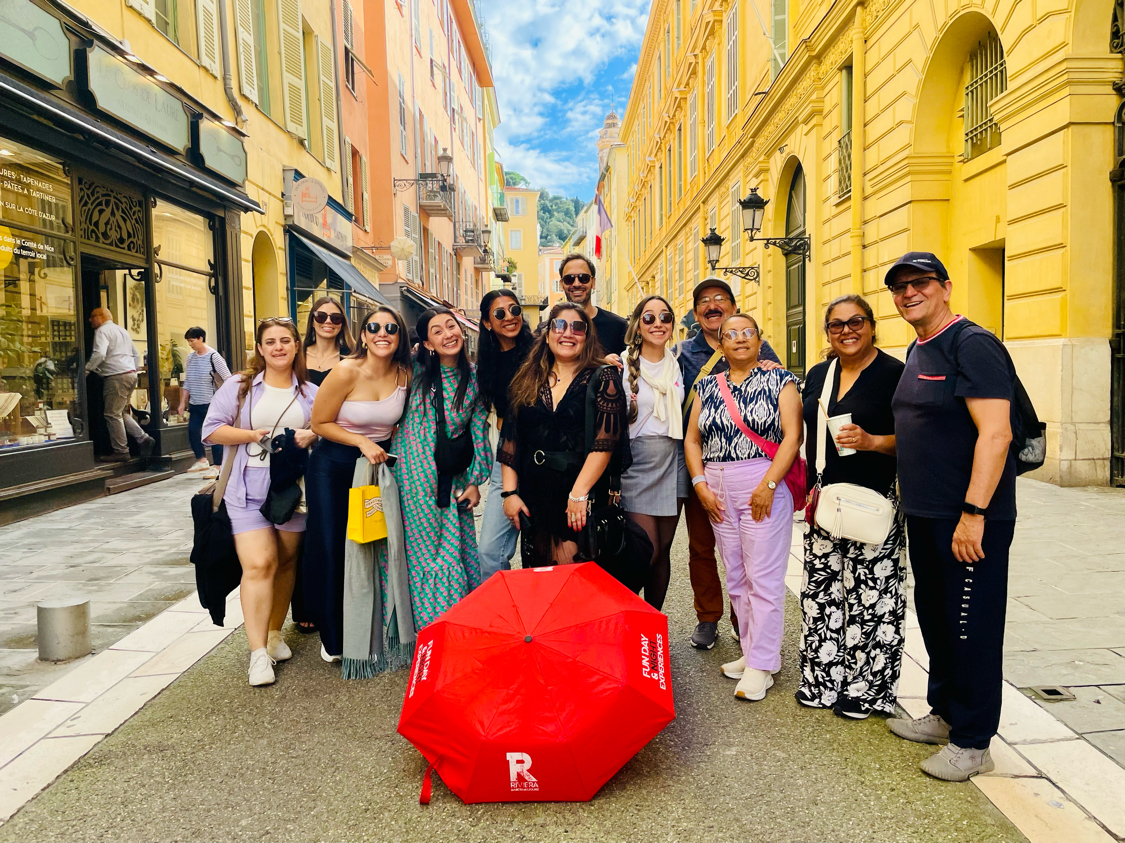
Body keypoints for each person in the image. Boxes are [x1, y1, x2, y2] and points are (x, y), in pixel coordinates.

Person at [884, 252, 1016, 782]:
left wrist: (974, 513)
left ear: (945, 287)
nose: (909, 293)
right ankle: (943, 714)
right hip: (926, 513)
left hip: (969, 517)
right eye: (899, 287)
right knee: (938, 618)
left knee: (971, 625)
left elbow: (997, 434)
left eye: (920, 282)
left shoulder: (972, 343)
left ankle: (974, 741)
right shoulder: (919, 347)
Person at [797, 295, 906, 719]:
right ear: (827, 332)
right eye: (837, 325)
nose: (847, 331)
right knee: (820, 593)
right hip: (826, 500)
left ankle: (868, 690)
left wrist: (872, 441)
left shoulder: (895, 374)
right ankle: (822, 680)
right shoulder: (819, 374)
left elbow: (915, 439)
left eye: (856, 322)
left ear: (872, 326)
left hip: (873, 499)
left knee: (872, 597)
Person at [684, 314, 801, 702]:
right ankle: (754, 653)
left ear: (759, 340)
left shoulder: (781, 381)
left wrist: (769, 484)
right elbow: (692, 440)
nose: (740, 338)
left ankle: (762, 666)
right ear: (720, 345)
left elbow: (792, 437)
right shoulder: (707, 386)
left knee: (763, 576)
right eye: (730, 334)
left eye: (747, 332)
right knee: (736, 573)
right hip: (717, 485)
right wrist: (700, 484)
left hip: (761, 480)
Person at [202, 317, 318, 687]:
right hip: (245, 486)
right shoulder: (239, 386)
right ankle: (257, 655)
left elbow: (327, 429)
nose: (278, 347)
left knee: (285, 562)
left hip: (291, 488)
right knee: (259, 563)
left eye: (285, 340)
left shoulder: (311, 392)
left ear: (297, 346)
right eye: (270, 341)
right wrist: (252, 434)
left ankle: (273, 635)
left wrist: (311, 435)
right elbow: (211, 430)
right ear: (260, 348)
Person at [676, 279, 781, 650]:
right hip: (700, 464)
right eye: (704, 300)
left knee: (749, 553)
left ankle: (745, 621)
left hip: (751, 468)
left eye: (720, 298)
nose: (712, 305)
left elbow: (779, 401)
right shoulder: (682, 353)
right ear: (696, 313)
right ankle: (708, 617)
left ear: (734, 307)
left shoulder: (759, 347)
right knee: (702, 546)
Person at [305, 306, 411, 661]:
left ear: (399, 337)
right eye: (374, 327)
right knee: (333, 547)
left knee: (370, 547)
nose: (383, 334)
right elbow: (319, 423)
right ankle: (333, 639)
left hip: (376, 470)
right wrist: (361, 441)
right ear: (363, 335)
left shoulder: (405, 374)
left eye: (391, 328)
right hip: (333, 467)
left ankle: (371, 629)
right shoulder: (346, 371)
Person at [500, 302, 627, 568]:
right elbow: (511, 438)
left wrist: (578, 494)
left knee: (573, 577)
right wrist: (509, 493)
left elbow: (605, 443)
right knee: (539, 576)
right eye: (559, 325)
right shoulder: (527, 378)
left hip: (578, 490)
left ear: (587, 337)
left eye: (577, 327)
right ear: (547, 335)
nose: (567, 333)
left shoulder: (604, 378)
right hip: (535, 491)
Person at [394, 307, 491, 629]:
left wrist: (475, 481)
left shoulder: (474, 378)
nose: (448, 334)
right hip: (411, 480)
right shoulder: (412, 372)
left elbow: (478, 431)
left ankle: (456, 628)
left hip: (450, 480)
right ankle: (427, 630)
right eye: (437, 331)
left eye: (451, 326)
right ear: (427, 343)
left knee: (453, 549)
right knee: (421, 555)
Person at [619, 295, 686, 610]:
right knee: (647, 549)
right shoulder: (622, 364)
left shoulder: (679, 362)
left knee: (664, 550)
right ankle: (631, 618)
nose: (658, 323)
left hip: (674, 458)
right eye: (649, 318)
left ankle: (654, 624)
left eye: (665, 317)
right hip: (637, 461)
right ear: (637, 325)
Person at [475, 289, 535, 581]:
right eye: (500, 313)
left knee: (542, 553)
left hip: (543, 452)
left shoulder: (540, 351)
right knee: (489, 552)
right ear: (487, 322)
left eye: (514, 309)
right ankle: (504, 606)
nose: (510, 317)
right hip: (506, 455)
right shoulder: (485, 363)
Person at [84, 307, 154, 462]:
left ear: (102, 317)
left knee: (112, 414)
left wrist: (87, 369)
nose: (90, 320)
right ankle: (142, 438)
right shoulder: (122, 331)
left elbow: (100, 353)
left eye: (92, 316)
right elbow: (136, 355)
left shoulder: (102, 331)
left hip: (116, 377)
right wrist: (131, 369)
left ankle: (121, 451)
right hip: (130, 375)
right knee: (120, 413)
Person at [178, 327, 232, 476]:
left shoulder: (213, 357)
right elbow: (187, 382)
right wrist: (182, 402)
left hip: (211, 402)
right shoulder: (191, 358)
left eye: (192, 340)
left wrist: (224, 399)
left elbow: (228, 379)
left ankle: (218, 466)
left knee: (214, 434)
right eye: (188, 341)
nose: (190, 344)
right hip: (195, 402)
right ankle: (202, 460)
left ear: (200, 338)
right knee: (193, 432)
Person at [558, 253, 628, 356]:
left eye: (583, 278)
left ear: (593, 282)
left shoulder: (618, 327)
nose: (576, 284)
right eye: (569, 279)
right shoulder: (551, 329)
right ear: (561, 284)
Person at [302, 297, 354, 387]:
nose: (328, 321)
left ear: (342, 324)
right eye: (321, 316)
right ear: (312, 322)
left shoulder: (352, 357)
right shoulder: (297, 355)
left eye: (336, 318)